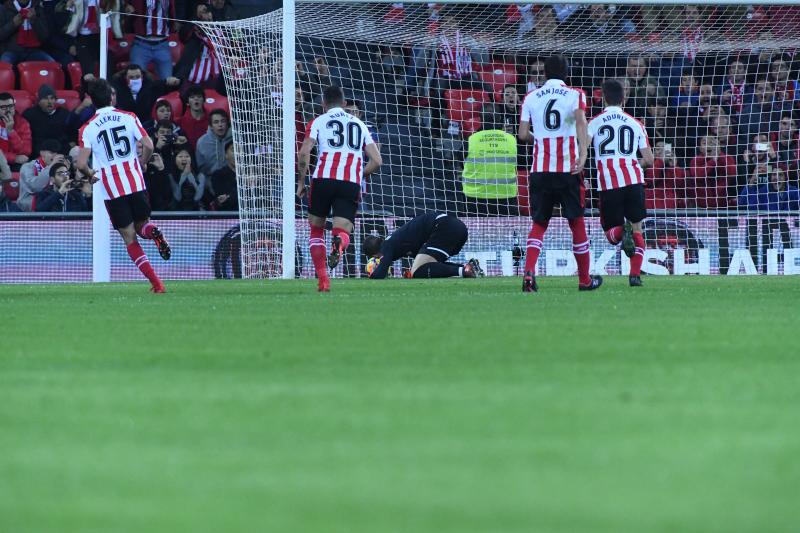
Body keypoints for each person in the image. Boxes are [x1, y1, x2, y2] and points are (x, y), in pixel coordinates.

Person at [75, 79, 171, 293]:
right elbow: (148, 144)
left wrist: (90, 174)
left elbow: (81, 163)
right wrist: (143, 162)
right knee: (142, 225)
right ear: (111, 96)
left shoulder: (87, 128)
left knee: (129, 237)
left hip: (112, 188)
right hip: (135, 181)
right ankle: (152, 230)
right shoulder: (129, 117)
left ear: (91, 101)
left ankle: (157, 284)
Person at [517, 54, 601, 292]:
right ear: (567, 73)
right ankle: (584, 280)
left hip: (540, 170)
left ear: (544, 73)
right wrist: (584, 154)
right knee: (576, 222)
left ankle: (528, 274)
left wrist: (540, 141)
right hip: (568, 168)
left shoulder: (531, 97)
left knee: (539, 223)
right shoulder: (576, 94)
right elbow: (582, 122)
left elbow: (523, 134)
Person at [296, 85, 382, 292]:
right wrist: (357, 173)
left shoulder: (318, 121)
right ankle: (339, 244)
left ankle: (323, 280)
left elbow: (304, 152)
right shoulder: (360, 124)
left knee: (316, 229)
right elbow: (377, 161)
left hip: (323, 179)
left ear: (323, 104)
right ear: (344, 104)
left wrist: (301, 182)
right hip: (349, 183)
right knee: (343, 230)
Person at [587, 79, 654, 287]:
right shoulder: (636, 123)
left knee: (612, 236)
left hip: (608, 183)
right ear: (624, 98)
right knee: (638, 229)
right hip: (634, 180)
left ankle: (621, 232)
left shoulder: (595, 122)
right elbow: (650, 160)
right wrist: (633, 163)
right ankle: (635, 276)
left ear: (604, 98)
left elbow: (582, 151)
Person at [363, 212, 484, 279]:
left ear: (375, 255)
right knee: (422, 268)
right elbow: (428, 264)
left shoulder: (387, 245)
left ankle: (464, 270)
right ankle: (468, 267)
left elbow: (380, 273)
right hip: (457, 228)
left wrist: (372, 274)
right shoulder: (399, 242)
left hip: (444, 228)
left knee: (417, 271)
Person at [126, 0, 175, 80]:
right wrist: (127, 5)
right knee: (135, 81)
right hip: (141, 44)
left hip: (162, 44)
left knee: (167, 82)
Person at [22, 84, 73, 156]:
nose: (49, 102)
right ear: (39, 100)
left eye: (52, 98)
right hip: (38, 155)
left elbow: (73, 132)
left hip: (62, 154)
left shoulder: (64, 113)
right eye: (45, 98)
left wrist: (71, 144)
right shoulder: (30, 114)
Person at [0, 0, 53, 64]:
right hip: (10, 51)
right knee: (5, 67)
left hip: (33, 51)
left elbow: (45, 37)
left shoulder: (37, 8)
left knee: (53, 65)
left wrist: (34, 21)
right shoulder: (4, 8)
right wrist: (13, 24)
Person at [17, 139, 63, 211]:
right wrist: (51, 166)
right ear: (42, 153)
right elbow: (36, 186)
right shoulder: (28, 166)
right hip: (29, 204)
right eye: (51, 153)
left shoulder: (59, 167)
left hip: (52, 202)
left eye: (57, 153)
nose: (55, 156)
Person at [196, 109, 232, 177]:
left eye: (223, 121)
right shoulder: (202, 142)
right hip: (210, 181)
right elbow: (201, 169)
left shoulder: (236, 139)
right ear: (211, 126)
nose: (220, 125)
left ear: (227, 124)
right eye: (216, 122)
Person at [0, 92, 32, 168]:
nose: (8, 110)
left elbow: (26, 151)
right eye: (3, 107)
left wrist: (11, 132)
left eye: (10, 106)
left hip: (15, 165)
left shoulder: (23, 123)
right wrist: (14, 158)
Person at [211, 141, 237, 210]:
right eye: (233, 150)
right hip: (228, 216)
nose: (237, 153)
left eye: (240, 150)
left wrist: (229, 196)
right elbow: (224, 201)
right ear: (226, 155)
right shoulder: (218, 175)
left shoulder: (250, 175)